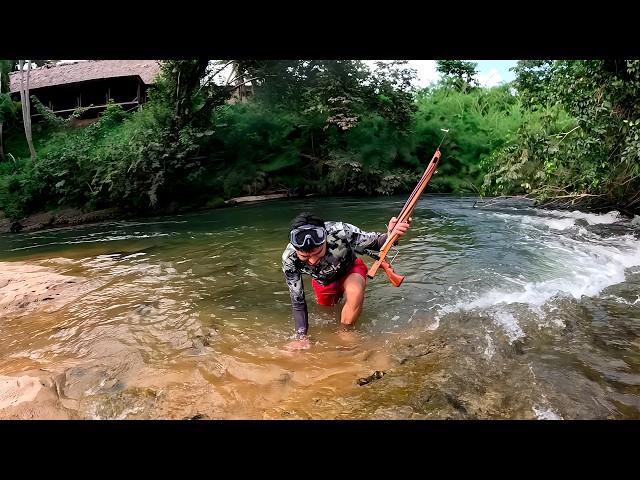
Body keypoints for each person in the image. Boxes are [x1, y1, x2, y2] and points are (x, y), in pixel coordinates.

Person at [281, 211, 411, 350]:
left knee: (355, 292)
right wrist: (301, 337)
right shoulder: (289, 259)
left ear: (325, 238)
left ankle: (345, 332)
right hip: (323, 282)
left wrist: (392, 234)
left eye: (318, 253)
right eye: (305, 257)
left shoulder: (341, 231)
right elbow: (298, 302)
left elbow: (377, 242)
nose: (312, 260)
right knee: (327, 314)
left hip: (350, 270)